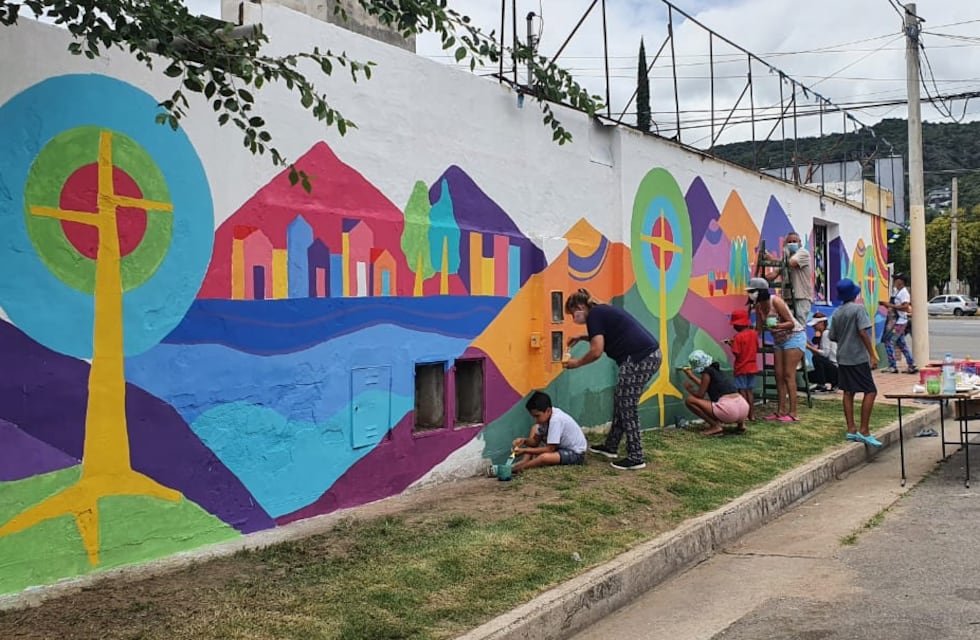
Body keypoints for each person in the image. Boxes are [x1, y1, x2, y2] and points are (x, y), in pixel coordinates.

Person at [564, 288, 661, 471]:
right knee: (621, 400)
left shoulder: (594, 315)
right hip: (646, 355)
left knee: (627, 406)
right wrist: (583, 337)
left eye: (572, 314)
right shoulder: (601, 311)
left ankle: (636, 456)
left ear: (579, 307)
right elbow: (606, 336)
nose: (573, 319)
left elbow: (597, 351)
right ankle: (611, 445)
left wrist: (576, 363)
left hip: (639, 358)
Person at [827, 278, 881, 447]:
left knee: (848, 392)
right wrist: (872, 354)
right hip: (858, 357)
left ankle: (851, 428)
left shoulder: (837, 313)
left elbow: (832, 336)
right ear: (854, 295)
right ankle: (864, 430)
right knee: (870, 391)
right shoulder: (858, 309)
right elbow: (863, 332)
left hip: (843, 358)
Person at [747, 276, 806, 422]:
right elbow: (759, 328)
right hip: (779, 341)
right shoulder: (759, 307)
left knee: (788, 374)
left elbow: (791, 323)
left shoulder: (776, 301)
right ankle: (781, 411)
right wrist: (747, 340)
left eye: (752, 291)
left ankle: (793, 413)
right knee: (778, 375)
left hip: (794, 337)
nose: (750, 294)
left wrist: (776, 326)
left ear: (760, 291)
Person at [506, 391, 588, 475]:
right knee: (534, 428)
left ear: (548, 411)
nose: (535, 420)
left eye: (537, 416)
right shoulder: (545, 418)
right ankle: (525, 461)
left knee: (544, 458)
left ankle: (519, 468)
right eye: (533, 416)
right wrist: (524, 441)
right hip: (560, 448)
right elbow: (534, 442)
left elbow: (549, 449)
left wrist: (524, 450)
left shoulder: (556, 420)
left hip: (575, 453)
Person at [682, 350, 750, 436]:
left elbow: (700, 395)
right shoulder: (715, 371)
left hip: (729, 411)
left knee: (690, 400)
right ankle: (741, 425)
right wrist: (691, 376)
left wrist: (690, 389)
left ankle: (715, 426)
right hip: (743, 409)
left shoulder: (706, 372)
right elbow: (705, 385)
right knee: (723, 401)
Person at [766, 231, 813, 324]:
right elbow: (774, 274)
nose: (792, 244)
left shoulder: (803, 253)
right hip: (787, 298)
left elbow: (791, 263)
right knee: (788, 328)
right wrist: (761, 279)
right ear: (785, 244)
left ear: (800, 242)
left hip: (801, 297)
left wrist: (772, 259)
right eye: (789, 242)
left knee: (799, 327)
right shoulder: (785, 258)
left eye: (794, 241)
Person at [879, 273, 917, 374]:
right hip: (895, 320)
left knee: (888, 341)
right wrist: (886, 305)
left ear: (901, 281)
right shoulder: (897, 292)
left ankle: (892, 366)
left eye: (896, 279)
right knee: (901, 344)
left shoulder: (904, 293)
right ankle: (911, 365)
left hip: (899, 322)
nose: (895, 281)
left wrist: (890, 305)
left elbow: (905, 307)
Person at [724, 308, 758, 421]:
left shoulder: (737, 337)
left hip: (741, 367)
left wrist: (730, 344)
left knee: (742, 391)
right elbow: (756, 348)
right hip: (752, 367)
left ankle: (744, 414)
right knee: (749, 391)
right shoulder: (753, 334)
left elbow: (736, 352)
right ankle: (752, 415)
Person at [806, 312, 839, 392]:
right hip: (834, 368)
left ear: (821, 323)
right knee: (808, 375)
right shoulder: (825, 333)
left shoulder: (826, 333)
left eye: (815, 324)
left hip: (835, 368)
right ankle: (833, 383)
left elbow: (825, 354)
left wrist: (809, 347)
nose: (813, 327)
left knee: (816, 358)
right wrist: (809, 344)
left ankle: (822, 384)